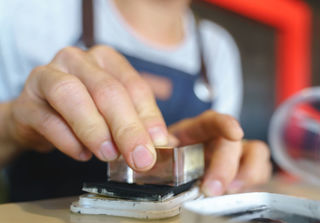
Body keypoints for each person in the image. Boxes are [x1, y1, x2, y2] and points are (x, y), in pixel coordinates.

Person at [0, 0, 272, 202]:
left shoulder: (217, 48)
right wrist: (13, 124)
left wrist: (221, 165)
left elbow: (219, 160)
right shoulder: (35, 13)